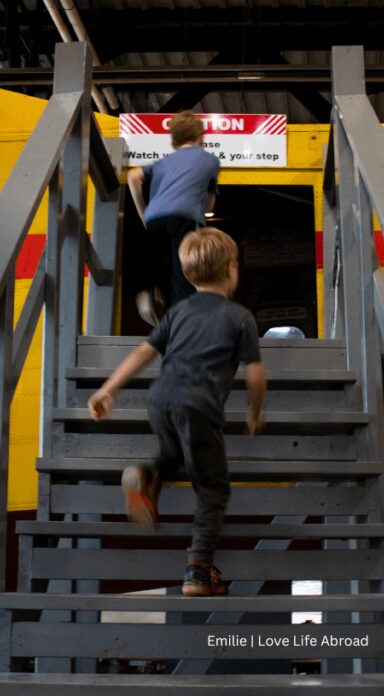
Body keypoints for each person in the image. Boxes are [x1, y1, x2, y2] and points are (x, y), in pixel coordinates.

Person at [87, 228, 267, 597]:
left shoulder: (178, 312)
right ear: (233, 269)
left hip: (160, 400)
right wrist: (255, 411)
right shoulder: (240, 317)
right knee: (213, 489)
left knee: (173, 454)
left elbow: (143, 352)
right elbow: (256, 371)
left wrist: (108, 389)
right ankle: (199, 571)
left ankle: (147, 472)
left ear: (187, 275)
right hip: (198, 406)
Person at [127, 110, 220, 325]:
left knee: (157, 263)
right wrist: (204, 219)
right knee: (182, 269)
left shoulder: (164, 162)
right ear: (201, 137)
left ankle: (147, 295)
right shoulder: (210, 160)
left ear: (175, 140)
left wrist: (144, 213)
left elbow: (133, 177)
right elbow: (210, 200)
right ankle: (183, 317)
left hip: (155, 218)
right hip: (186, 217)